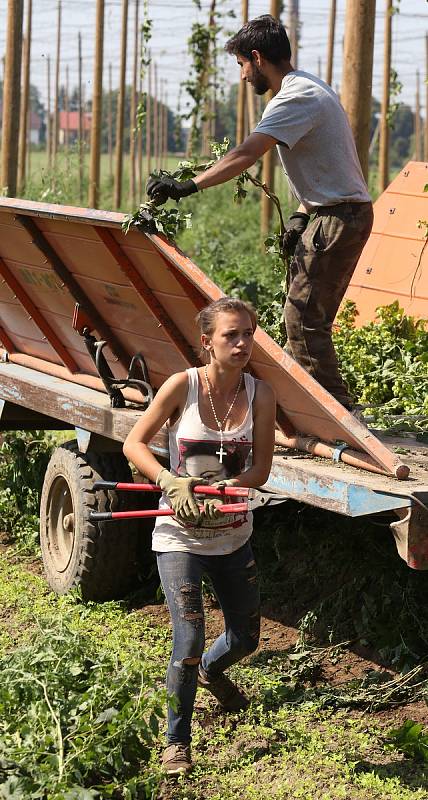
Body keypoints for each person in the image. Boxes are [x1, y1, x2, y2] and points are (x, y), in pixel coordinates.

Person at [147, 15, 374, 413]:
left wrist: (188, 186)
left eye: (241, 65)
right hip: (333, 214)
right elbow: (328, 167)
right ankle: (299, 411)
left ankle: (340, 416)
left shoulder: (294, 97)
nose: (241, 76)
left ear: (256, 57)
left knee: (302, 318)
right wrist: (303, 216)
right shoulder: (309, 88)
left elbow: (246, 154)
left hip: (340, 218)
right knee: (303, 317)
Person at [123, 297, 276, 776]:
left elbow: (262, 468)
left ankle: (212, 671)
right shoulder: (181, 387)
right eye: (232, 335)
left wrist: (235, 484)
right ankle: (176, 743)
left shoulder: (261, 394)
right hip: (179, 536)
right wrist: (170, 481)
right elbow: (134, 444)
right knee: (187, 639)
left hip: (233, 535)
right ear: (207, 342)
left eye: (248, 333)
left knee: (246, 638)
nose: (243, 343)